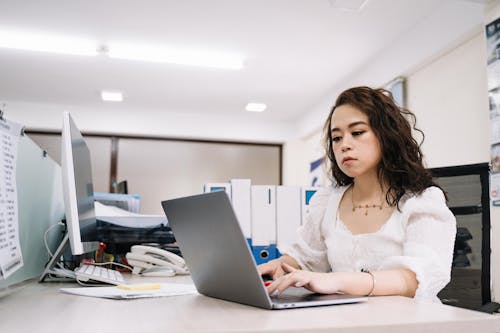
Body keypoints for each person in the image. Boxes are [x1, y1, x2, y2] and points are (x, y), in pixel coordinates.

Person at [258, 86, 456, 303]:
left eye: (357, 133)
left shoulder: (422, 201)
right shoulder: (327, 203)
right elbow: (305, 258)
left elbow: (415, 280)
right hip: (346, 321)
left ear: (386, 135)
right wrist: (280, 266)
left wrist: (338, 280)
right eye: (336, 138)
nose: (344, 145)